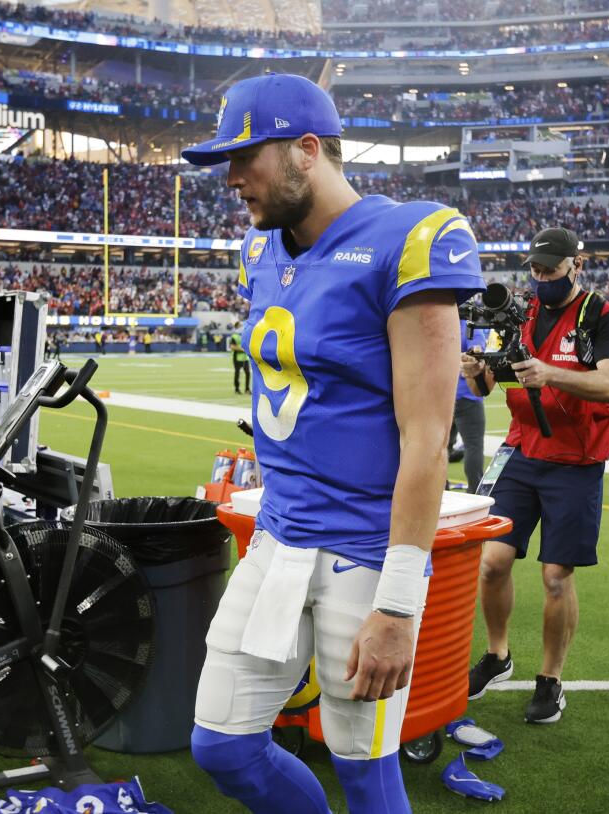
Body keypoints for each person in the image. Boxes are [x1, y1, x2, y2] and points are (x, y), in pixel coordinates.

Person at [181, 73, 484, 814]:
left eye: (246, 154)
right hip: (280, 538)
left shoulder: (410, 239)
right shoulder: (261, 253)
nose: (232, 177)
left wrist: (398, 605)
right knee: (220, 744)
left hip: (364, 550)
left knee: (365, 771)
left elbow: (426, 440)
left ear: (306, 150)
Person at [462, 227, 609, 724]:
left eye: (550, 271)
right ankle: (497, 655)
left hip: (575, 461)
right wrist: (473, 368)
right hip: (520, 450)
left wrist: (550, 373)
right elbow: (486, 387)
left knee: (556, 577)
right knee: (491, 563)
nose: (540, 278)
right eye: (534, 270)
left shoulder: (602, 316)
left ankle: (551, 680)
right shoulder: (521, 312)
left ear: (576, 264)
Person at [450, 318, 488, 492]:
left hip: (444, 395)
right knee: (473, 446)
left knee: (441, 446)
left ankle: (440, 491)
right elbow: (478, 354)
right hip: (468, 395)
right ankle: (474, 492)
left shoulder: (441, 321)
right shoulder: (470, 326)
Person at [228, 321, 250, 395]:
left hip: (245, 357)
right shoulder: (234, 336)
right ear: (237, 326)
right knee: (237, 373)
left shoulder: (244, 335)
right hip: (237, 357)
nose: (242, 327)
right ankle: (237, 389)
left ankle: (247, 389)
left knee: (248, 373)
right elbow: (232, 346)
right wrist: (242, 349)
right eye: (240, 325)